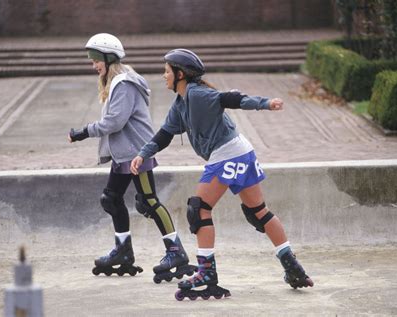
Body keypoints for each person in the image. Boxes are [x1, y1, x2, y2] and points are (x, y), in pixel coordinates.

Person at [130, 49, 313, 300]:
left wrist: (265, 104)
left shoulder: (196, 94)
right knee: (258, 212)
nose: (163, 75)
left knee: (199, 208)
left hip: (227, 154)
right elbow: (164, 134)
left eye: (167, 70)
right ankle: (293, 267)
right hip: (242, 150)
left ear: (180, 74)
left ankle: (206, 273)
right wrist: (143, 153)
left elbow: (230, 99)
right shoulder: (181, 102)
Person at [68, 34, 195, 283]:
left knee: (148, 202)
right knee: (111, 199)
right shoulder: (116, 81)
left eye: (95, 60)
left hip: (137, 153)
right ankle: (123, 252)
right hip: (123, 154)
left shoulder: (123, 83)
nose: (93, 65)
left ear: (108, 57)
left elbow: (114, 121)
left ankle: (176, 251)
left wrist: (83, 132)